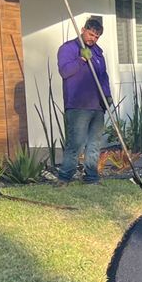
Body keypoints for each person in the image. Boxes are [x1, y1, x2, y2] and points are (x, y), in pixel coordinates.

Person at [55, 16, 111, 186]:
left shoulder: (98, 52)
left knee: (94, 144)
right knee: (76, 143)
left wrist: (107, 96)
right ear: (83, 29)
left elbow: (103, 77)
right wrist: (81, 60)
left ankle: (91, 177)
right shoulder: (69, 48)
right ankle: (65, 177)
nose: (92, 39)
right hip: (78, 105)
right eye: (90, 34)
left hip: (97, 105)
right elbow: (65, 72)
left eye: (96, 37)